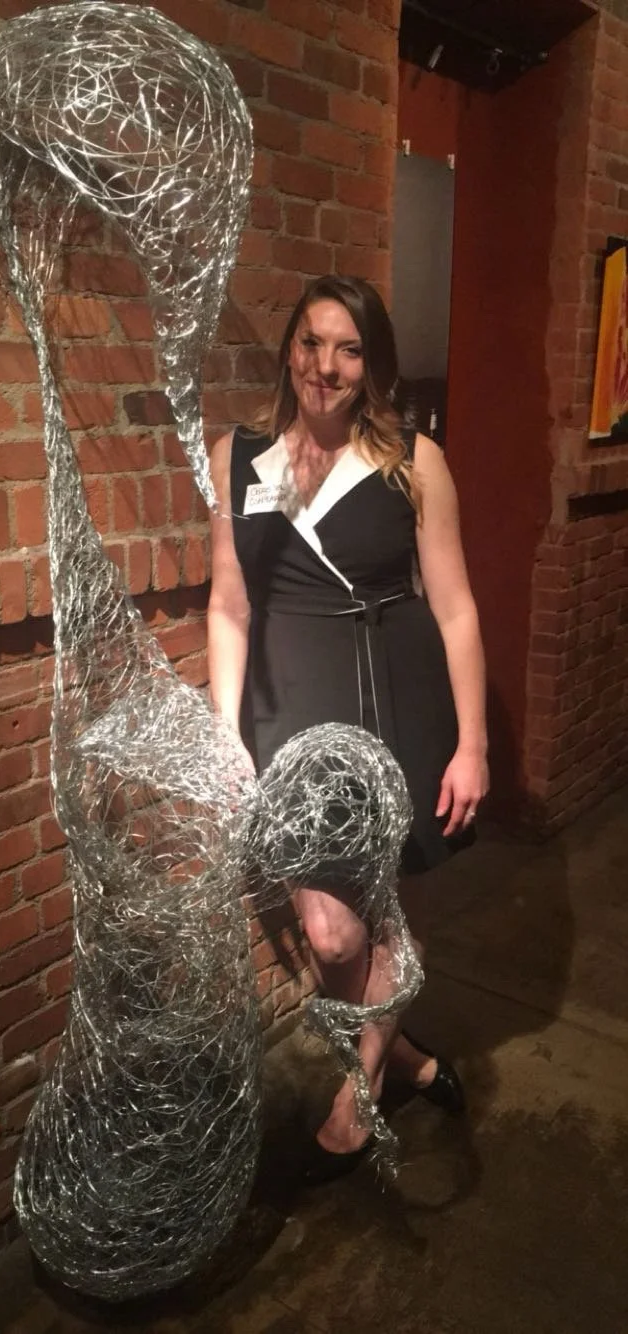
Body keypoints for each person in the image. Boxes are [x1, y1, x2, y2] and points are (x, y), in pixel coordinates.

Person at [207, 274, 489, 1163]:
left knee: (381, 904)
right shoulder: (237, 456)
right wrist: (226, 733)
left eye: (349, 348)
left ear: (372, 366)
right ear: (288, 349)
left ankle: (363, 1081)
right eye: (310, 342)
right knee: (331, 930)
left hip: (389, 693)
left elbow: (455, 610)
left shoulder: (414, 459)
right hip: (289, 705)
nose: (324, 367)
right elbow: (228, 607)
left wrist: (473, 742)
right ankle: (401, 1057)